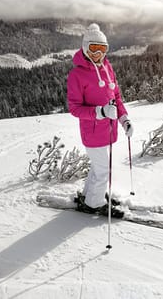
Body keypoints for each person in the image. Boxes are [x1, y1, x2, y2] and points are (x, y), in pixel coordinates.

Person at [67, 23, 133, 214]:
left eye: (102, 49)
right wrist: (101, 112)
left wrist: (124, 120)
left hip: (109, 131)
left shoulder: (107, 67)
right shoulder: (77, 75)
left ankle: (89, 195)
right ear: (85, 47)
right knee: (104, 170)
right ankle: (94, 204)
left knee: (98, 168)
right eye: (93, 49)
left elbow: (116, 97)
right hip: (92, 133)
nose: (98, 54)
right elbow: (74, 109)